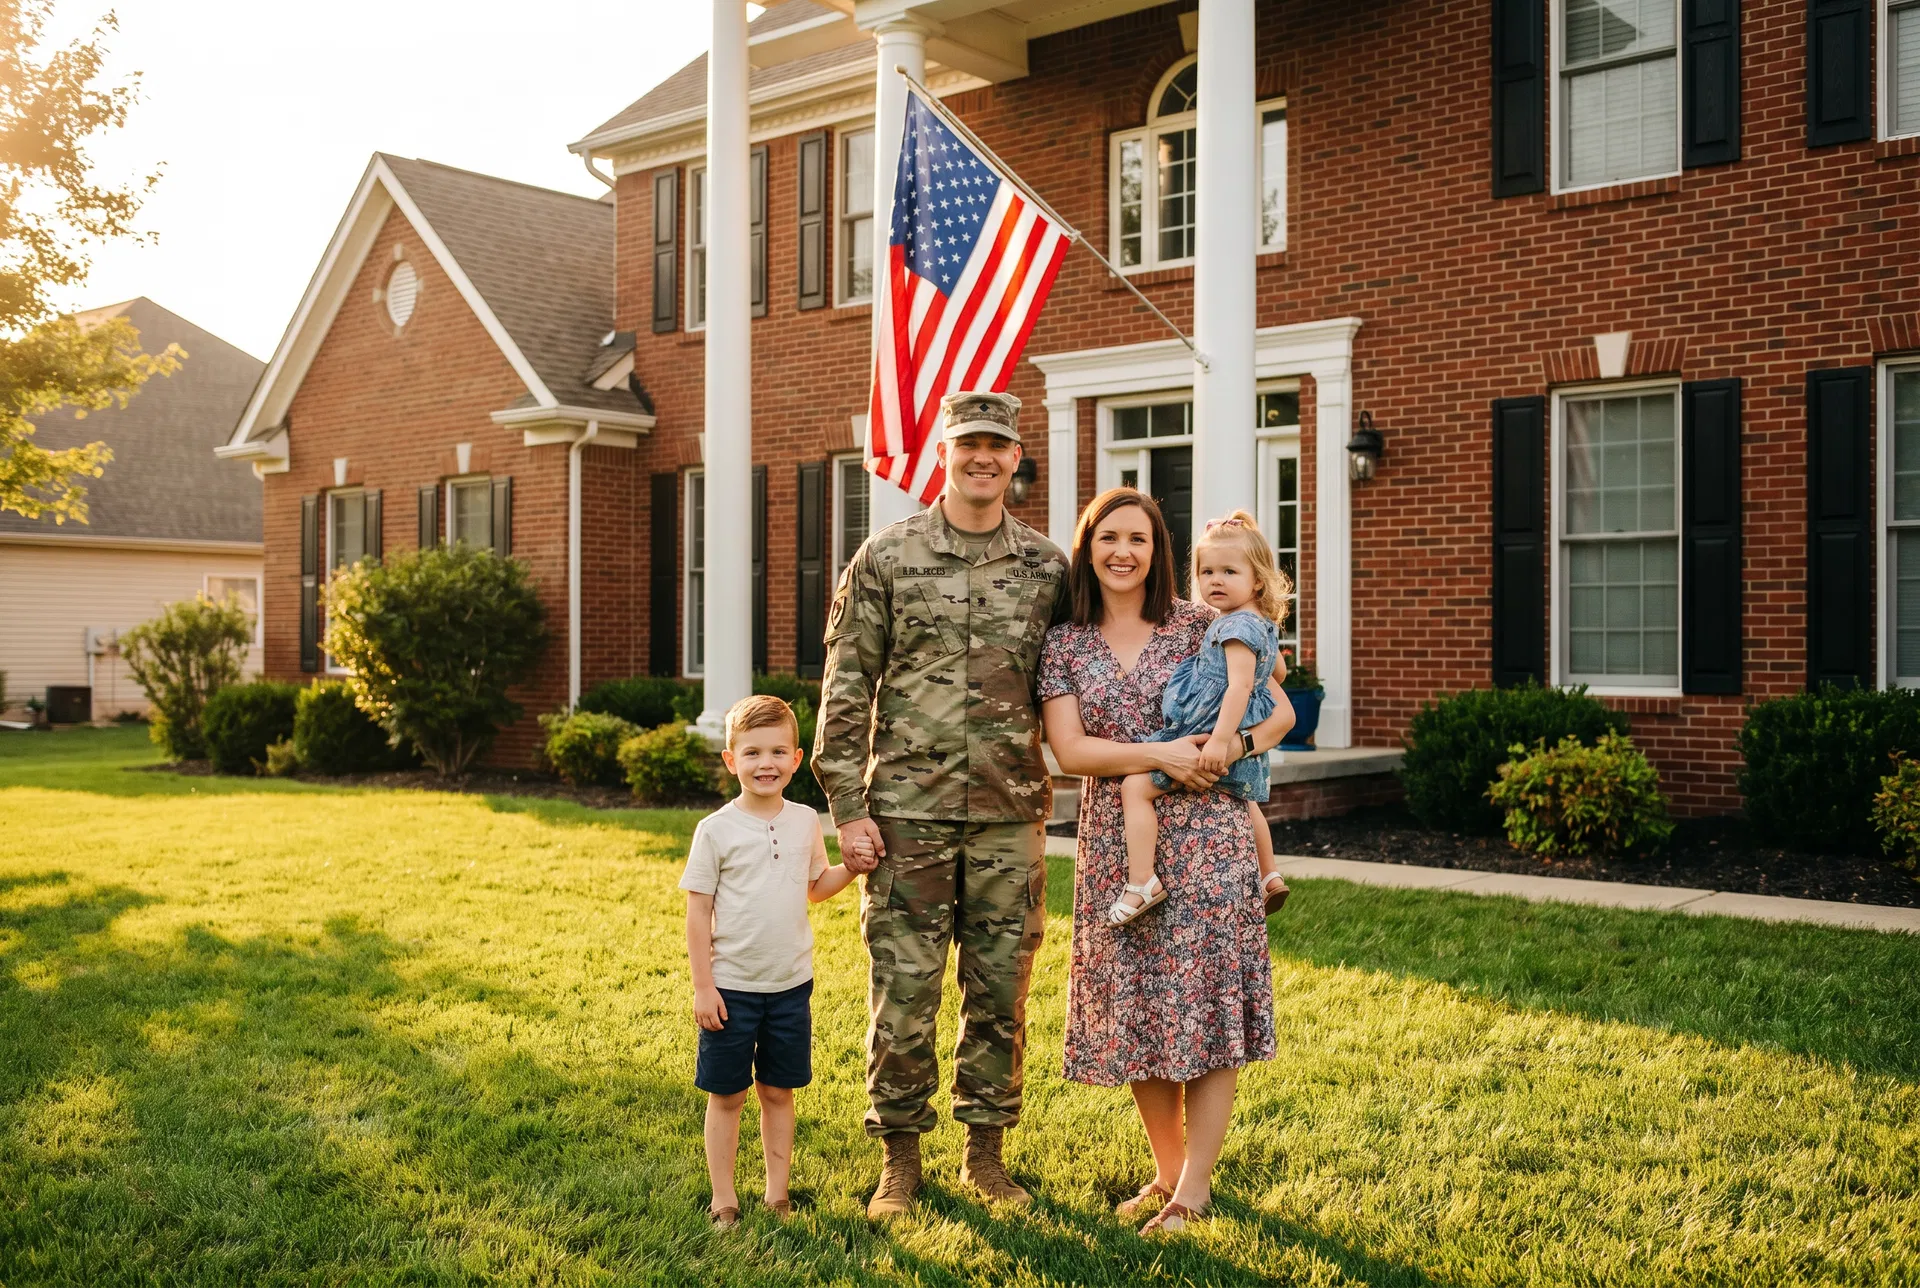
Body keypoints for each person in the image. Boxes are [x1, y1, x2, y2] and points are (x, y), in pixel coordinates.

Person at [813, 390, 1069, 1220]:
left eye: (997, 446)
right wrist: (847, 805)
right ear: (944, 454)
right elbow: (847, 686)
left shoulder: (1048, 568)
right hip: (905, 814)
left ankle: (986, 1158)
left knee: (1001, 992)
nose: (983, 459)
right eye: (969, 446)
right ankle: (899, 1160)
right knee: (905, 990)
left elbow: (1086, 672)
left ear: (1016, 455)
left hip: (1008, 812)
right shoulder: (886, 558)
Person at [1038, 488, 1294, 1236]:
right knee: (1141, 1007)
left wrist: (1226, 749)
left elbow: (1278, 712)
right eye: (1109, 537)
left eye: (1139, 539)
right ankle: (1167, 1169)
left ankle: (1196, 1188)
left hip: (1211, 837)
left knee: (1208, 1006)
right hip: (1121, 841)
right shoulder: (1065, 643)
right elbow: (1071, 751)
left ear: (1158, 551)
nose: (1124, 551)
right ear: (1088, 547)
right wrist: (1161, 756)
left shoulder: (1201, 622)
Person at [681, 693, 876, 1229]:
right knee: (728, 1095)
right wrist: (704, 987)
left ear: (796, 758)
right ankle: (724, 1200)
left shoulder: (805, 821)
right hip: (731, 988)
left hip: (791, 985)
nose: (764, 764)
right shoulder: (715, 830)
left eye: (777, 752)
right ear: (730, 760)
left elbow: (815, 887)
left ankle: (777, 1194)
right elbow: (698, 915)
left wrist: (852, 869)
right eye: (751, 753)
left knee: (777, 1091)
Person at [1111, 510, 1292, 924]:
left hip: (1205, 733)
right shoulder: (1258, 624)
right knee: (1244, 800)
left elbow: (1240, 688)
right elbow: (1276, 673)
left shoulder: (1234, 628)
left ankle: (1141, 882)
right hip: (1229, 735)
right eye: (1207, 571)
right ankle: (1269, 874)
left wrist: (1216, 741)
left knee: (1136, 788)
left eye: (1229, 571)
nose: (1215, 580)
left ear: (1257, 580)